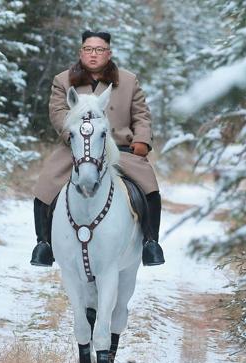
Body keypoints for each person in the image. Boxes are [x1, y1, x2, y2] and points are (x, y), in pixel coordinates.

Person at [30, 30, 164, 267]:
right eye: (88, 49)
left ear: (109, 53)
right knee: (45, 186)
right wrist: (73, 135)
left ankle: (150, 243)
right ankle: (44, 245)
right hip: (77, 148)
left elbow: (142, 115)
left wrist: (142, 139)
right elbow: (58, 114)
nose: (93, 55)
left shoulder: (128, 80)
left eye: (99, 49)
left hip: (121, 149)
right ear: (81, 52)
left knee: (149, 189)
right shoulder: (63, 81)